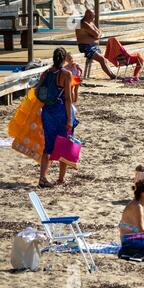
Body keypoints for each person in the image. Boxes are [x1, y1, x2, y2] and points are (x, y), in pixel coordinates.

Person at [38, 48, 78, 188]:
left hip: (47, 111)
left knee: (48, 146)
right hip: (61, 111)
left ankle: (42, 178)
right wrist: (69, 119)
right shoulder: (65, 74)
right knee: (64, 144)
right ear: (63, 58)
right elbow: (68, 98)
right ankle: (60, 179)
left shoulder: (46, 73)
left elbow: (39, 91)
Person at [75, 10, 116, 79]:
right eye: (92, 16)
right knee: (102, 59)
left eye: (93, 16)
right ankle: (112, 76)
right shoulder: (83, 23)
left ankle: (113, 75)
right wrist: (96, 37)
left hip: (92, 46)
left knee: (105, 59)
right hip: (85, 47)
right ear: (87, 15)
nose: (93, 18)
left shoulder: (90, 22)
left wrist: (96, 36)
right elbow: (97, 34)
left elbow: (98, 32)